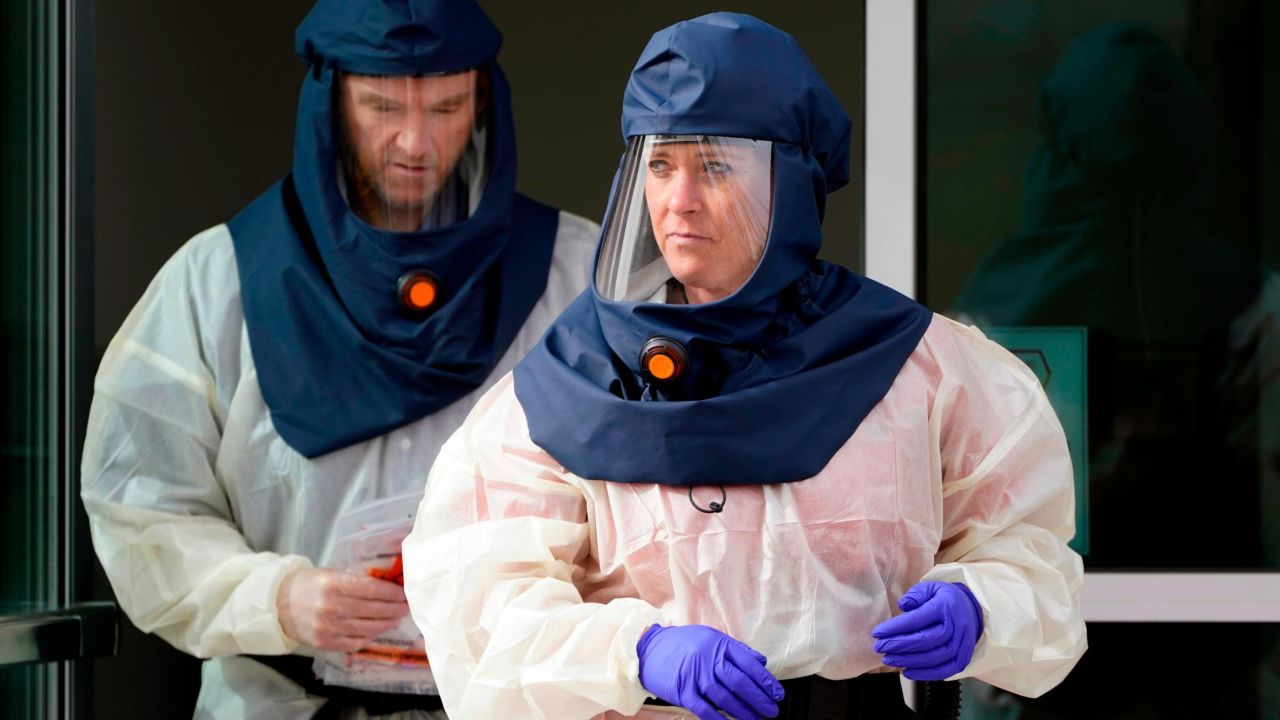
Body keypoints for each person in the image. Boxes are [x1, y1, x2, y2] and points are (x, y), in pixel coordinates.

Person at [402, 12, 1086, 720]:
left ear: (790, 184)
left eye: (716, 168)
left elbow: (1033, 559)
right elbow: (480, 611)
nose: (678, 202)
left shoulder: (915, 366)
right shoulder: (567, 387)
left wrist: (979, 607)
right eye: (660, 165)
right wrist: (638, 654)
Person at [79, 1, 597, 718]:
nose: (416, 142)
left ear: (484, 103)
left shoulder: (580, 283)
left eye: (447, 107)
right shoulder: (217, 283)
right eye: (382, 106)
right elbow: (140, 504)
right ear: (330, 103)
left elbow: (653, 502)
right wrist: (277, 598)